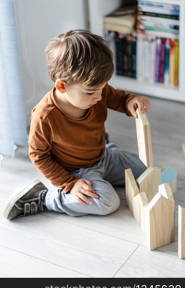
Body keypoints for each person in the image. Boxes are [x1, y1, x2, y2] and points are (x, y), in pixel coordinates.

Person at [4, 29, 150, 220]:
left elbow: (117, 98)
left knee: (145, 169)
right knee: (107, 202)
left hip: (102, 156)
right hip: (75, 170)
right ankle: (45, 198)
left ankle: (108, 151)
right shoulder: (45, 116)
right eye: (91, 92)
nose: (99, 97)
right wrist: (70, 182)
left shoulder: (96, 91)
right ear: (62, 86)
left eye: (101, 89)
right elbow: (38, 156)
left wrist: (130, 101)